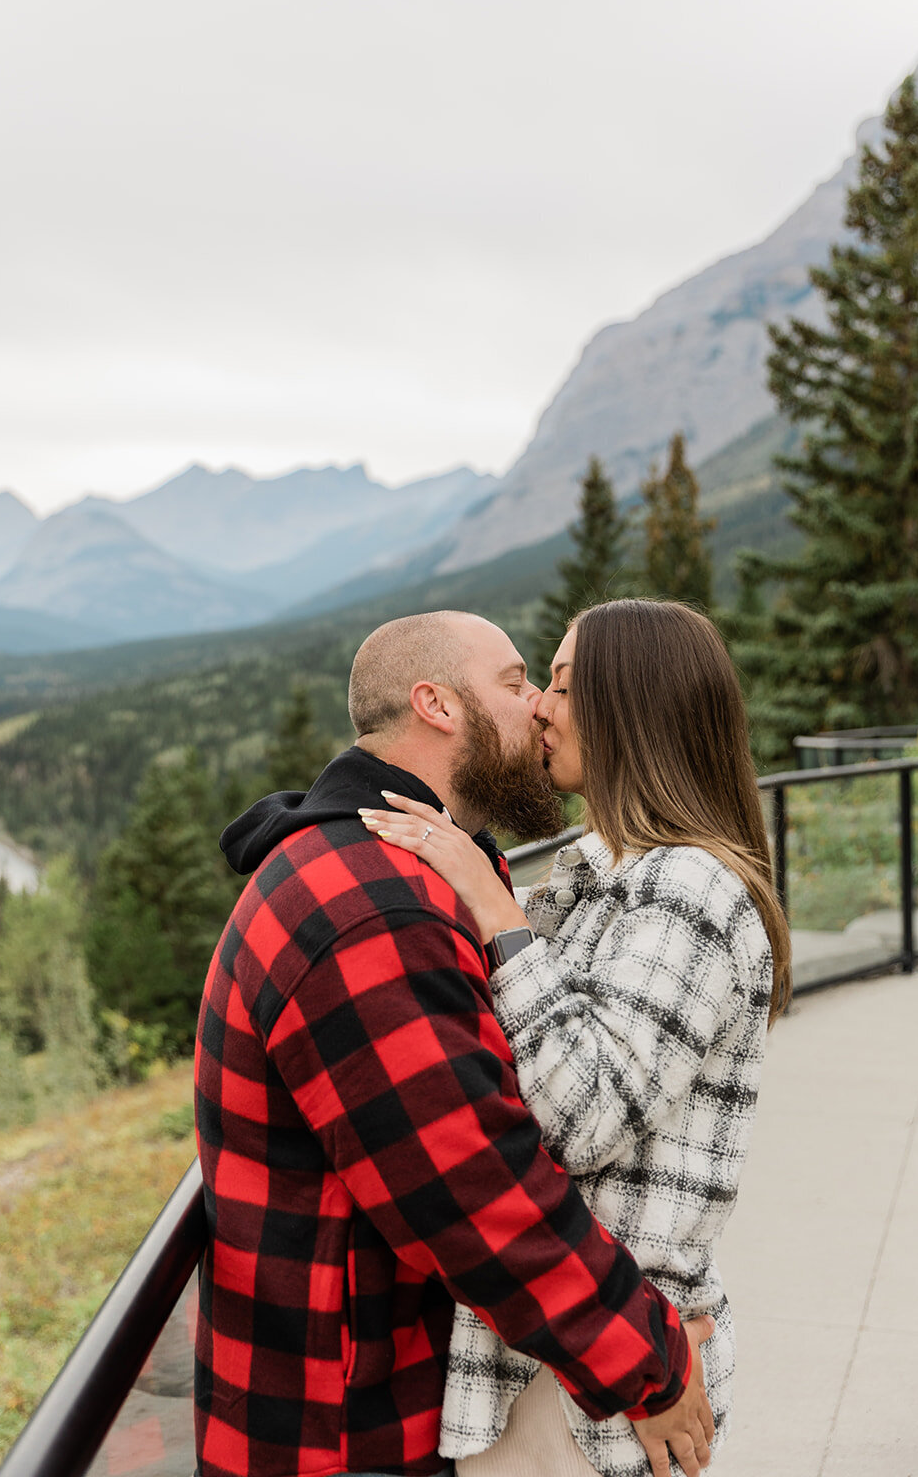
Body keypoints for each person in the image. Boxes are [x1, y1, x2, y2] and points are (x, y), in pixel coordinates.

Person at [194, 610, 715, 1477]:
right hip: (342, 1429)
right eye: (517, 682)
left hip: (364, 1393)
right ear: (435, 704)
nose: (540, 709)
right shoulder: (367, 909)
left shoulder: (409, 868)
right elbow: (471, 1186)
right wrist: (648, 1362)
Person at [360, 599, 792, 1477]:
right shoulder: (600, 871)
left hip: (601, 1398)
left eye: (558, 684)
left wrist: (493, 910)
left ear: (627, 706)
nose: (539, 708)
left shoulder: (689, 890)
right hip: (564, 1369)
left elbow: (581, 1117)